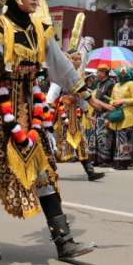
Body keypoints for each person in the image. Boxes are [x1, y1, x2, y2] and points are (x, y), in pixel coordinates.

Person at [0, 0, 105, 262]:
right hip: (0, 113)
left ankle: (65, 242)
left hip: (30, 111)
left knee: (44, 174)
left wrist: (87, 95)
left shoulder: (41, 30)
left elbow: (61, 67)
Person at [52, 51, 105, 181]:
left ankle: (90, 171)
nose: (77, 62)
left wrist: (87, 113)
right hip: (61, 115)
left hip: (74, 115)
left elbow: (82, 97)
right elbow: (51, 95)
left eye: (79, 59)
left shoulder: (78, 78)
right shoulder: (61, 76)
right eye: (75, 59)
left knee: (80, 140)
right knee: (56, 143)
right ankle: (48, 170)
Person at [105, 65, 133, 171]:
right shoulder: (116, 86)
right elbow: (111, 99)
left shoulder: (132, 84)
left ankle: (125, 161)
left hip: (128, 115)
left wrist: (122, 101)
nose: (121, 75)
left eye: (123, 73)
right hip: (117, 113)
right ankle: (117, 160)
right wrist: (113, 102)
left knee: (126, 139)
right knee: (118, 138)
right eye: (120, 73)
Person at [87, 65, 115, 167]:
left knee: (104, 137)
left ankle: (105, 160)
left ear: (104, 73)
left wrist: (108, 116)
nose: (97, 74)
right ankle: (96, 159)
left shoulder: (111, 84)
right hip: (97, 113)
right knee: (95, 137)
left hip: (106, 113)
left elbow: (112, 101)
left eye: (99, 72)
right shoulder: (98, 84)